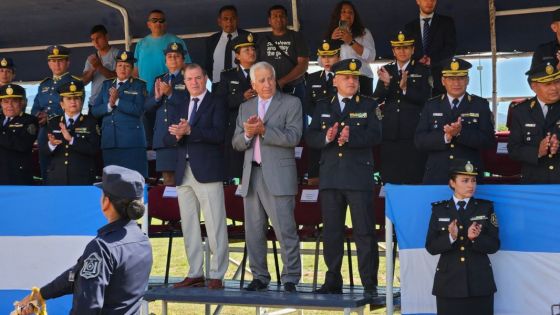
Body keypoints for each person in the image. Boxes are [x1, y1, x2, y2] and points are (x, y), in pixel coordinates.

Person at [14, 165, 153, 314]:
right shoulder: (143, 241)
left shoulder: (102, 247)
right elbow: (76, 275)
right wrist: (41, 295)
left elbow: (87, 307)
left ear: (106, 202)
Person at [305, 58, 382, 297]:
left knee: (364, 232)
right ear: (335, 80)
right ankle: (333, 280)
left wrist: (351, 138)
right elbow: (311, 137)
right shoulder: (323, 106)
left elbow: (376, 136)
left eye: (355, 77)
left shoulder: (369, 105)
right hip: (331, 178)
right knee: (332, 231)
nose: (352, 81)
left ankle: (369, 284)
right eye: (347, 77)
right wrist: (327, 137)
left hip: (358, 177)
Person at [232, 61, 302, 293]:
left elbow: (293, 137)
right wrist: (248, 135)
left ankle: (291, 277)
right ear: (253, 83)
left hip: (279, 175)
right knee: (253, 230)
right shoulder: (246, 107)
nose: (267, 84)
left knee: (285, 229)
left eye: (270, 78)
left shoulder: (291, 103)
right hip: (251, 174)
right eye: (261, 80)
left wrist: (264, 131)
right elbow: (236, 142)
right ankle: (260, 276)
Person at [166, 63, 229, 290]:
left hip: (208, 170)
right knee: (190, 225)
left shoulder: (216, 102)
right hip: (183, 172)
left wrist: (190, 131)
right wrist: (177, 135)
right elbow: (167, 137)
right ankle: (195, 272)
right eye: (190, 79)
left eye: (198, 78)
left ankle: (217, 273)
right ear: (185, 81)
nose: (194, 82)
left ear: (205, 79)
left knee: (214, 224)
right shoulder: (180, 104)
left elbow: (218, 134)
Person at [425, 159, 499, 315]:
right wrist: (450, 237)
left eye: (473, 180)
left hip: (479, 283)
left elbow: (494, 245)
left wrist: (475, 239)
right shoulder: (439, 210)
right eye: (465, 180)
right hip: (449, 284)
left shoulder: (486, 208)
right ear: (452, 183)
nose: (471, 185)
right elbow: (431, 247)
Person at [415, 58, 495, 184]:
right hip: (437, 175)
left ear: (467, 80)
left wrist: (460, 133)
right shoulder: (431, 105)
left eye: (461, 78)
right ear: (443, 81)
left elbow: (489, 141)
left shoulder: (480, 105)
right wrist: (446, 137)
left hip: (469, 175)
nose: (456, 83)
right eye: (451, 79)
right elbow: (419, 141)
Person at [373, 31, 431, 184]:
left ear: (412, 50)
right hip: (390, 132)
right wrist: (385, 84)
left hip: (413, 132)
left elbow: (425, 99)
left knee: (414, 177)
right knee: (391, 178)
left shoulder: (422, 70)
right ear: (393, 51)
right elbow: (377, 98)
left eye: (406, 48)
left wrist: (404, 88)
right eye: (398, 48)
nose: (402, 51)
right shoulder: (387, 70)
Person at [133, 9, 192, 147]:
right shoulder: (141, 44)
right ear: (148, 24)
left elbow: (188, 67)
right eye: (154, 20)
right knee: (149, 139)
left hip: (174, 93)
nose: (158, 23)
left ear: (165, 23)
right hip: (149, 95)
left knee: (172, 139)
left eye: (161, 20)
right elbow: (135, 72)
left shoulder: (176, 41)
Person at [92, 50, 148, 177]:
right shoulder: (106, 85)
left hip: (131, 142)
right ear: (115, 68)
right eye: (120, 65)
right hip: (110, 141)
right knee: (112, 182)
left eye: (127, 66)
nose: (123, 68)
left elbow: (139, 110)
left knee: (134, 181)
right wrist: (109, 106)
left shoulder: (139, 85)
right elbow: (94, 111)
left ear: (132, 69)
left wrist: (117, 101)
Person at [31, 45, 81, 181]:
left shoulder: (74, 83)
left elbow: (74, 108)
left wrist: (50, 116)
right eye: (53, 61)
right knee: (46, 171)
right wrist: (38, 116)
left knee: (63, 172)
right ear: (49, 63)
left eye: (60, 60)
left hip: (64, 132)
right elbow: (35, 107)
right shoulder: (44, 85)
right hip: (44, 134)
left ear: (67, 62)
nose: (56, 64)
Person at [507, 62, 560, 183]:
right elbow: (513, 150)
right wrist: (537, 151)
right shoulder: (520, 111)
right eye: (548, 84)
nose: (554, 88)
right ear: (534, 87)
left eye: (557, 82)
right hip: (534, 182)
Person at [215, 33, 258, 181]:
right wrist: (241, 97)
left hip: (259, 128)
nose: (251, 52)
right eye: (247, 50)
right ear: (238, 55)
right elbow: (220, 102)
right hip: (236, 130)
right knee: (236, 173)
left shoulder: (264, 73)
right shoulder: (228, 76)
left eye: (253, 49)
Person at [144, 42, 187, 185]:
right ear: (165, 61)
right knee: (168, 180)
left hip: (181, 135)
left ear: (183, 59)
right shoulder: (160, 79)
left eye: (177, 56)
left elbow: (191, 104)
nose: (173, 59)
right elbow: (147, 107)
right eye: (170, 56)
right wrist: (156, 98)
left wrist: (170, 94)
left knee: (185, 179)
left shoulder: (189, 78)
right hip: (163, 136)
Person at [43, 81, 100, 185]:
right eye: (69, 99)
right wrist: (51, 145)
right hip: (57, 177)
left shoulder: (90, 122)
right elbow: (44, 152)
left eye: (76, 98)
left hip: (81, 177)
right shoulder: (53, 122)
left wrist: (72, 140)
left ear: (82, 102)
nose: (73, 102)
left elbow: (94, 149)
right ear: (62, 104)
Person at [304, 38, 341, 181]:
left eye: (331, 56)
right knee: (316, 176)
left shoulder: (346, 78)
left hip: (339, 129)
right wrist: (321, 119)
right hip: (319, 131)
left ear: (339, 56)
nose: (327, 60)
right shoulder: (313, 78)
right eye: (323, 56)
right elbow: (308, 104)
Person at [256, 4, 309, 103]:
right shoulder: (262, 41)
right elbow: (257, 67)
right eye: (275, 16)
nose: (278, 19)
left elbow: (303, 64)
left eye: (281, 16)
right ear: (269, 21)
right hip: (270, 90)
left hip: (294, 89)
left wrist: (282, 82)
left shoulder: (297, 37)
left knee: (297, 117)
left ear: (286, 19)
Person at [404, 0, 456, 96]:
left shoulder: (446, 22)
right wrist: (418, 60)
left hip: (441, 81)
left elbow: (451, 49)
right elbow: (405, 54)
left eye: (432, 0)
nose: (429, 2)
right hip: (416, 83)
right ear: (418, 1)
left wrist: (432, 60)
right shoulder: (409, 27)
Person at [325, 1, 376, 96]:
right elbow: (321, 62)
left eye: (350, 12)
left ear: (354, 16)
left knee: (363, 110)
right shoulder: (331, 33)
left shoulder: (364, 33)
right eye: (343, 12)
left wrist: (351, 41)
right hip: (339, 79)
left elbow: (371, 57)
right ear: (337, 15)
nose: (347, 15)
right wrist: (331, 42)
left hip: (361, 78)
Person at [0, 84, 38, 185]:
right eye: (5, 101)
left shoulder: (30, 120)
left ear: (22, 103)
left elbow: (22, 145)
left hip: (17, 176)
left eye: (14, 101)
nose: (9, 105)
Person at [205, 5, 250, 88]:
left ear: (237, 20)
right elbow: (208, 65)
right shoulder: (211, 40)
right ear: (219, 21)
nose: (229, 22)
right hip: (218, 86)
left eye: (232, 18)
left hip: (242, 85)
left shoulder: (247, 37)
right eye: (225, 19)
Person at [82, 24, 118, 111]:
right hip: (94, 103)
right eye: (93, 39)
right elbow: (83, 82)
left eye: (98, 38)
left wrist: (99, 67)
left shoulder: (118, 54)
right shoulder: (91, 58)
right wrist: (92, 70)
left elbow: (118, 78)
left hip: (111, 102)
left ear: (107, 37)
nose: (96, 42)